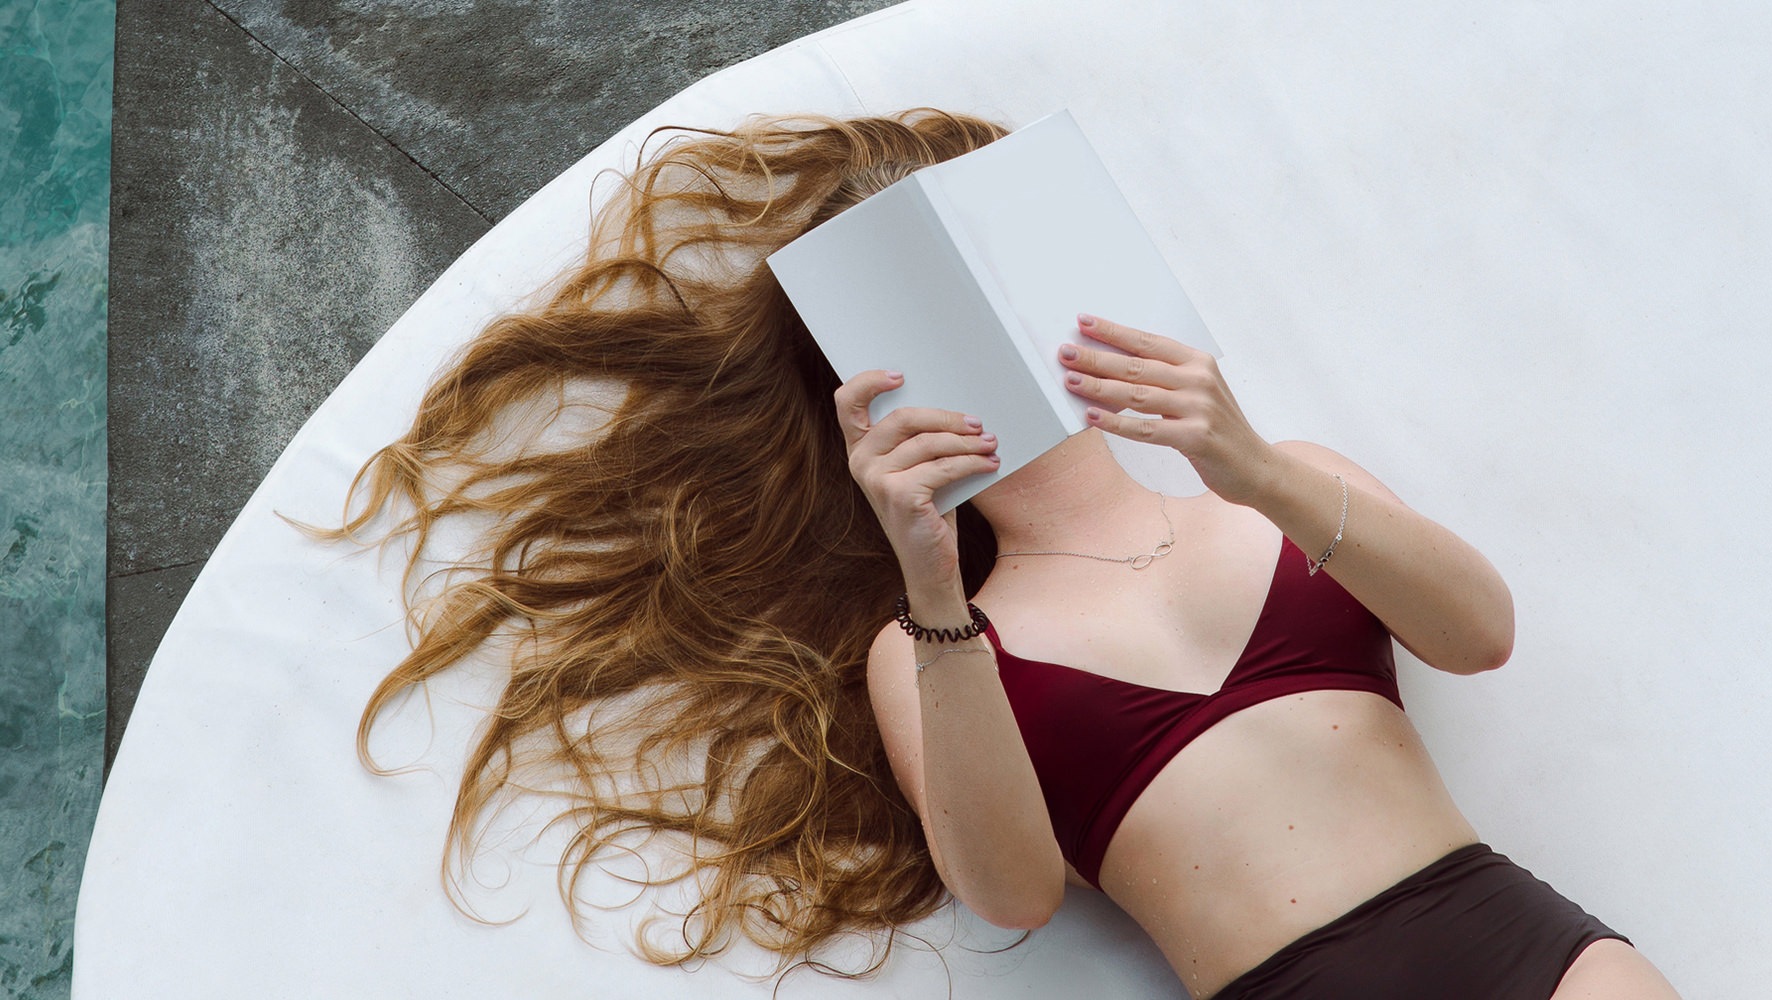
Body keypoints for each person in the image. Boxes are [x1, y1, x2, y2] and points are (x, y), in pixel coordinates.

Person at [342, 108, 1682, 998]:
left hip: (1530, 953)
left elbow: (1480, 633)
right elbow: (1015, 890)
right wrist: (929, 585)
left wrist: (1253, 463)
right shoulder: (929, 639)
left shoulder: (1277, 489)